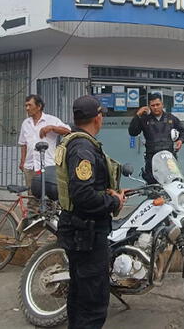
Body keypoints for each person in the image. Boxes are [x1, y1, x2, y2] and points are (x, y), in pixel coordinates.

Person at [56, 95, 125, 329]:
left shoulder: (74, 141)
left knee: (79, 294)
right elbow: (83, 195)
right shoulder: (83, 147)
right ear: (97, 118)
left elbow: (85, 188)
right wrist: (113, 203)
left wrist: (108, 193)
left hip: (79, 230)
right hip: (86, 233)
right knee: (93, 303)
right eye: (102, 115)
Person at [17, 94, 70, 220]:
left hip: (47, 166)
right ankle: (33, 226)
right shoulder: (26, 123)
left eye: (29, 105)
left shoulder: (51, 120)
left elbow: (68, 131)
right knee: (32, 198)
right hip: (30, 166)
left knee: (50, 198)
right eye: (26, 105)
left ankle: (52, 226)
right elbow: (23, 144)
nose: (27, 108)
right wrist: (22, 161)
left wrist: (52, 128)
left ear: (39, 106)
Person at [128, 93, 184, 184]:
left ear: (162, 105)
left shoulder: (171, 118)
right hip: (152, 160)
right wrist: (137, 116)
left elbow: (183, 131)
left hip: (169, 160)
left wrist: (180, 140)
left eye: (157, 104)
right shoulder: (145, 119)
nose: (155, 107)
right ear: (149, 106)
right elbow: (132, 132)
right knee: (154, 188)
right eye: (153, 105)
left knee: (173, 184)